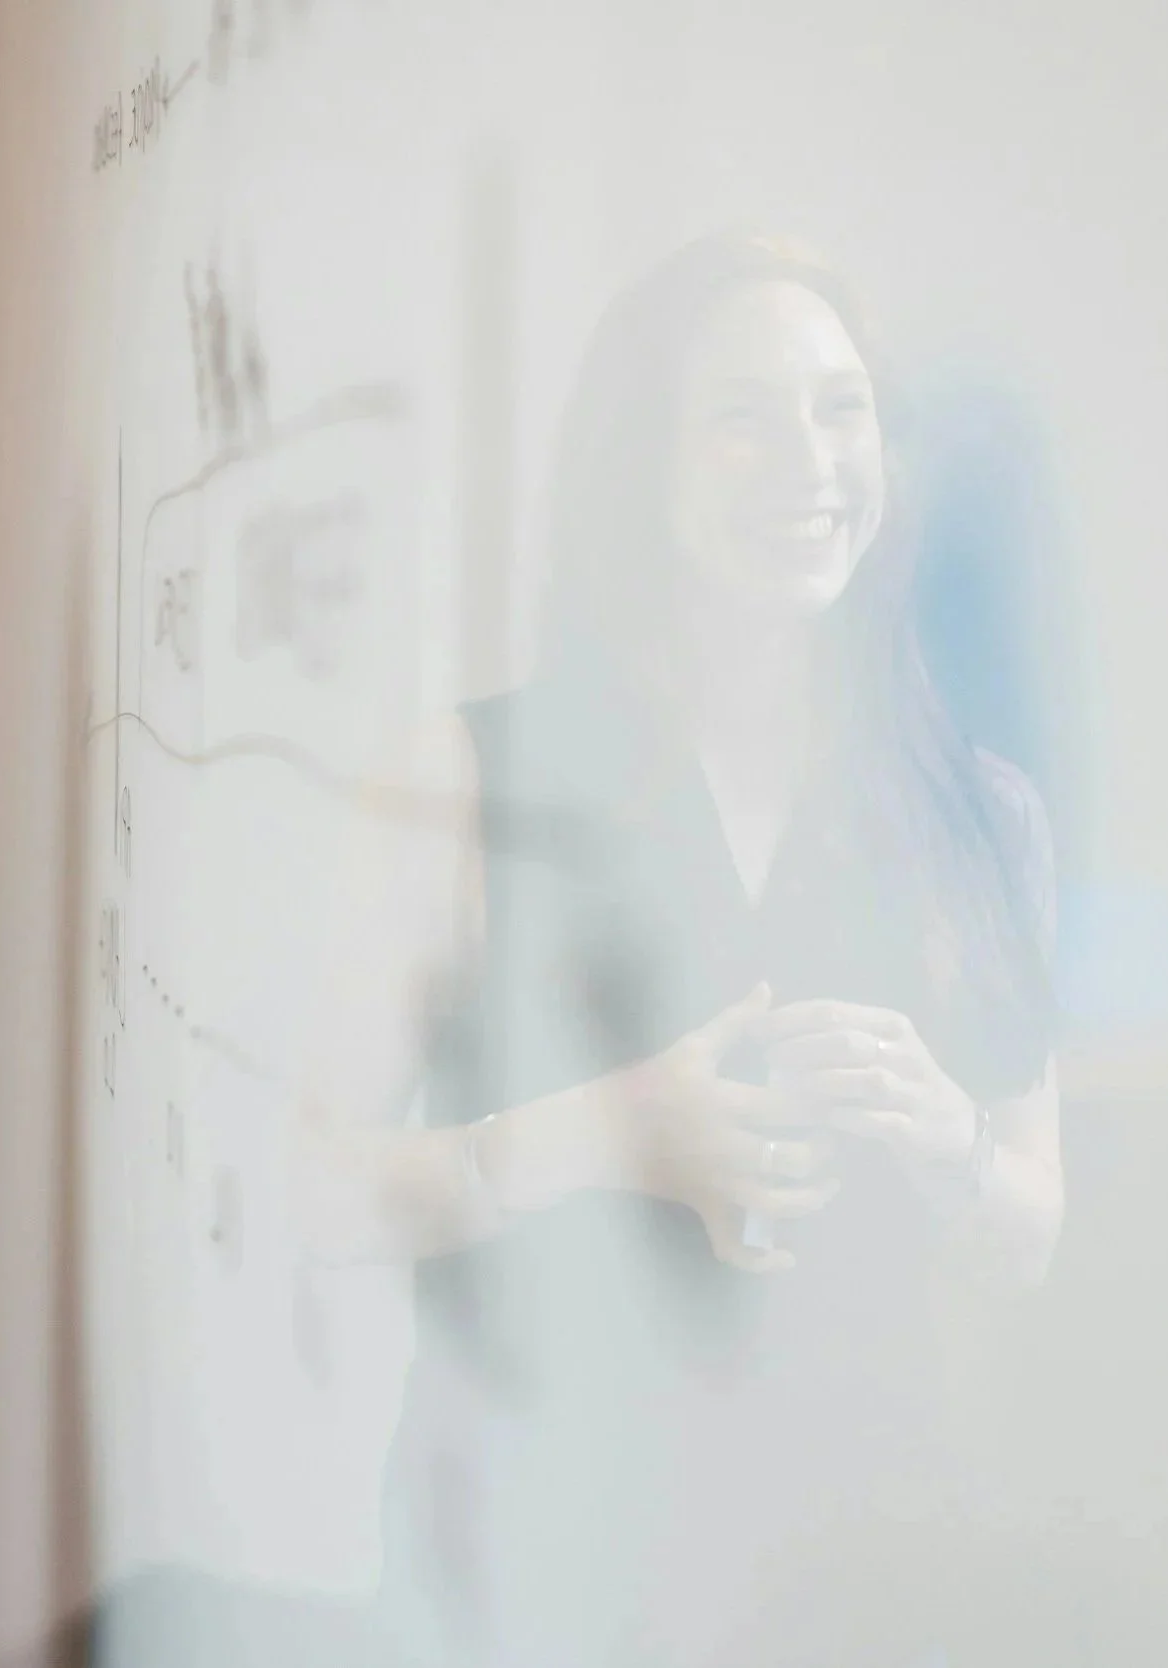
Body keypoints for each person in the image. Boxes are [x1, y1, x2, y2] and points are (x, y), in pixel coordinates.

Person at [343, 236, 1064, 1665]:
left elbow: (1026, 1235)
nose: (807, 460)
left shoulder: (981, 812)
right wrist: (609, 1132)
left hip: (860, 1562)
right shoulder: (465, 779)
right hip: (525, 1554)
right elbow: (307, 1184)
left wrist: (945, 1134)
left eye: (839, 410)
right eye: (740, 417)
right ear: (639, 468)